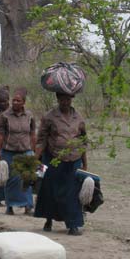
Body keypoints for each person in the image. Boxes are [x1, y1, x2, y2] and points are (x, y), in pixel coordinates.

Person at [34, 92, 87, 235]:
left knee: (72, 192)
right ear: (57, 99)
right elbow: (41, 139)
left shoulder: (79, 118)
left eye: (68, 99)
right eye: (62, 99)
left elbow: (83, 141)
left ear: (72, 100)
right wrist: (35, 159)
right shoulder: (49, 117)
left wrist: (85, 164)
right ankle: (48, 219)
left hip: (73, 160)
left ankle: (73, 225)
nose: (65, 102)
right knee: (50, 190)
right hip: (52, 159)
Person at [0, 87, 37, 215]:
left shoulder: (29, 115)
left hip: (25, 151)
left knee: (27, 178)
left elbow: (32, 133)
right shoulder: (5, 116)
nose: (15, 103)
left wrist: (34, 151)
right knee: (11, 180)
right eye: (13, 100)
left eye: (18, 101)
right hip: (9, 151)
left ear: (24, 102)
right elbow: (0, 135)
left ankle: (27, 206)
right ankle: (10, 206)